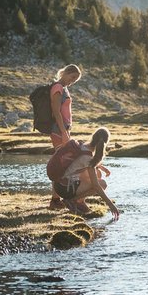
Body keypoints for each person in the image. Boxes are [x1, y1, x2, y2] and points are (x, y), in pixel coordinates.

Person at [52, 127, 120, 221]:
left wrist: (102, 168)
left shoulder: (82, 146)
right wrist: (111, 205)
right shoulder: (88, 157)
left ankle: (80, 201)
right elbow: (96, 186)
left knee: (97, 173)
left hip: (58, 184)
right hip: (65, 189)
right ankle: (72, 200)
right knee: (102, 183)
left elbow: (80, 162)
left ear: (93, 137)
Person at [48, 64, 82, 208]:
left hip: (64, 129)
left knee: (63, 163)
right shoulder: (58, 88)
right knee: (60, 164)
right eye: (72, 77)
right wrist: (63, 132)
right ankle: (55, 200)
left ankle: (56, 199)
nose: (72, 81)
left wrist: (66, 131)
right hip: (58, 130)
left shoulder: (64, 88)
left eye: (75, 80)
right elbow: (56, 113)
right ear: (66, 72)